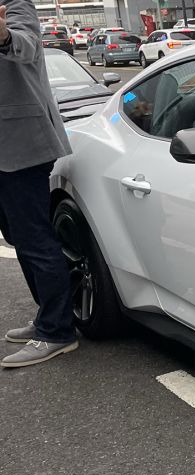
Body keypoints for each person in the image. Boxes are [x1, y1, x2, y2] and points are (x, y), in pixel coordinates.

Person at [0, 0, 79, 368]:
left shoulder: (15, 5)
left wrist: (2, 34)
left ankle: (57, 332)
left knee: (34, 239)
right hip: (5, 152)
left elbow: (24, 43)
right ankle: (48, 316)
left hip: (24, 145)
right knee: (19, 238)